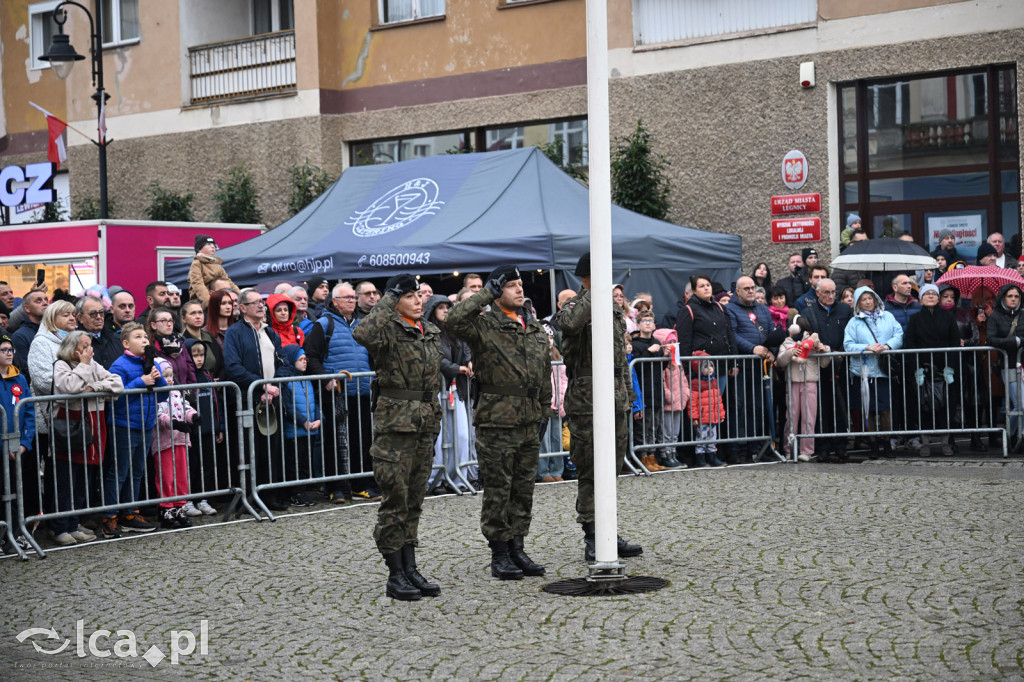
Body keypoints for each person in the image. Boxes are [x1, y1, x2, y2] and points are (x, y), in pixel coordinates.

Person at [447, 264, 552, 580]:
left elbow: (543, 374)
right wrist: (486, 292)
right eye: (511, 285)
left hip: (529, 419)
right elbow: (452, 320)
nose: (520, 289)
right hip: (497, 421)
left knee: (523, 489)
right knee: (498, 489)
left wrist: (543, 411)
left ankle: (518, 547)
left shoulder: (531, 327)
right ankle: (500, 553)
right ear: (496, 292)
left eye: (521, 284)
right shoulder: (483, 326)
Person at [352, 274, 443, 601]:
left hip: (424, 423)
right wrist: (387, 299)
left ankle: (410, 566)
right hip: (395, 425)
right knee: (396, 498)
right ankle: (395, 574)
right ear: (395, 300)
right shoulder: (386, 329)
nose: (418, 301)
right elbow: (361, 332)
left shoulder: (429, 330)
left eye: (418, 295)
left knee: (414, 499)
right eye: (409, 296)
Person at [555, 253, 643, 562]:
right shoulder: (574, 306)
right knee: (591, 469)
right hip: (588, 401)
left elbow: (622, 361)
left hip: (615, 398)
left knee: (613, 468)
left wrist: (629, 396)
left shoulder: (614, 308)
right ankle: (592, 535)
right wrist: (592, 290)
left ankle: (609, 529)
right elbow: (569, 323)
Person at [49, 331, 124, 545]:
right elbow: (70, 387)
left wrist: (94, 386)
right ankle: (59, 527)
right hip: (69, 431)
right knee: (66, 483)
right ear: (72, 348)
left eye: (89, 345)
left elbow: (117, 384)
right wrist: (84, 367)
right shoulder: (62, 365)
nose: (89, 350)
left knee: (82, 482)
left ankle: (73, 524)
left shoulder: (93, 365)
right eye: (84, 346)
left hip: (91, 429)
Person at [303, 282, 374, 502]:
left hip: (360, 391)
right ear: (335, 301)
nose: (352, 301)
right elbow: (311, 355)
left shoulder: (361, 324)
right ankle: (336, 487)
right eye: (347, 298)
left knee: (361, 439)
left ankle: (360, 484)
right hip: (336, 393)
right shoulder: (324, 324)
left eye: (354, 298)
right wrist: (325, 378)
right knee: (335, 441)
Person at [224, 290, 287, 511]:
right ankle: (253, 493)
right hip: (248, 398)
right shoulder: (235, 333)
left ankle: (271, 494)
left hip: (272, 397)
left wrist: (274, 386)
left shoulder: (271, 333)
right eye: (255, 303)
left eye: (262, 302)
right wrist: (260, 385)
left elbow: (283, 363)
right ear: (242, 308)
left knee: (273, 447)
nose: (261, 306)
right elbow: (233, 367)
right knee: (254, 449)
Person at [103, 322, 168, 538]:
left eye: (146, 338)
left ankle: (131, 513)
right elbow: (115, 397)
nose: (144, 341)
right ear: (125, 343)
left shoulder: (150, 364)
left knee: (137, 471)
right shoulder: (118, 366)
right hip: (125, 425)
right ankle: (109, 517)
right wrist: (141, 381)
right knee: (119, 472)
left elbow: (162, 395)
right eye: (138, 337)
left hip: (146, 424)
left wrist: (157, 379)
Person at [423, 294, 476, 493]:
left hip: (457, 390)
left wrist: (469, 361)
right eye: (441, 307)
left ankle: (457, 477)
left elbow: (466, 347)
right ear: (432, 310)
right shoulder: (429, 332)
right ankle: (435, 481)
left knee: (461, 436)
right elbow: (435, 357)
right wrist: (456, 368)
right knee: (440, 438)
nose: (446, 310)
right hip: (438, 390)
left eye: (448, 307)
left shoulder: (456, 331)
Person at [844, 286, 904, 459]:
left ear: (875, 298)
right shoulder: (853, 322)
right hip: (863, 373)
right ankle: (873, 444)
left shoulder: (888, 317)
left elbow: (898, 334)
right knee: (867, 410)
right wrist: (867, 348)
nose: (868, 302)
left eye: (870, 298)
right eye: (863, 299)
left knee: (886, 410)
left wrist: (886, 346)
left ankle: (886, 443)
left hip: (884, 372)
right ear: (858, 303)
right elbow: (848, 344)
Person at [904, 284, 961, 456]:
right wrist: (916, 369)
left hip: (944, 369)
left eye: (934, 294)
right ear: (921, 298)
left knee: (946, 407)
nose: (930, 296)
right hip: (924, 369)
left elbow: (954, 342)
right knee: (924, 406)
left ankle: (945, 443)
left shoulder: (948, 317)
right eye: (927, 294)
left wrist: (950, 367)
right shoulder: (915, 319)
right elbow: (911, 344)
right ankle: (925, 443)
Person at [800, 278, 853, 462]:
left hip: (840, 363)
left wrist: (842, 352)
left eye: (833, 292)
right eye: (827, 293)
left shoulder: (845, 310)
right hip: (820, 365)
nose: (831, 296)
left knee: (840, 405)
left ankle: (841, 445)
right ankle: (823, 447)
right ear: (817, 293)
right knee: (822, 408)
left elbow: (850, 334)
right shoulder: (808, 312)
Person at [151, 360, 200, 528]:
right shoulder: (157, 394)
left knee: (181, 475)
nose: (170, 379)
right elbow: (158, 415)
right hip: (164, 441)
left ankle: (180, 506)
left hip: (181, 440)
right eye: (165, 376)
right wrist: (173, 423)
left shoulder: (177, 393)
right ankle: (166, 509)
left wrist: (193, 416)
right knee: (166, 477)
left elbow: (185, 407)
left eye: (171, 376)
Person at [777, 315, 831, 462]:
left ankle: (807, 450)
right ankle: (789, 449)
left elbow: (825, 363)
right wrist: (790, 353)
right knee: (791, 418)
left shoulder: (812, 343)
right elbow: (780, 361)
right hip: (793, 382)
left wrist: (823, 350)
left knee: (809, 418)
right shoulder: (787, 343)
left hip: (810, 381)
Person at [1, 333, 37, 550]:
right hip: (2, 447)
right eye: (3, 350)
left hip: (18, 448)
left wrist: (25, 442)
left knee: (17, 493)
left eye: (10, 350)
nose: (9, 354)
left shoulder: (20, 378)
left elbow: (29, 410)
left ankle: (16, 533)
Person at [630, 311, 680, 469]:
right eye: (644, 321)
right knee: (643, 427)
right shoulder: (636, 344)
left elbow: (661, 367)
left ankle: (652, 455)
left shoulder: (657, 342)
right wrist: (648, 352)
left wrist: (665, 356)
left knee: (655, 425)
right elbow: (636, 365)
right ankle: (643, 457)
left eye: (650, 321)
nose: (647, 323)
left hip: (657, 389)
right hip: (644, 390)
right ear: (638, 325)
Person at [277, 345, 320, 508]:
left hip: (309, 429)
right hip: (294, 430)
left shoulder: (306, 379)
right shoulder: (286, 380)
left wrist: (319, 419)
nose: (304, 363)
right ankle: (296, 493)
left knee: (303, 462)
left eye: (305, 360)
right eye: (300, 360)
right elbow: (288, 406)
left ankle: (302, 491)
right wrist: (303, 421)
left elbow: (315, 402)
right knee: (294, 462)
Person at [185, 338, 224, 515]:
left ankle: (204, 498)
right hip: (193, 431)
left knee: (208, 465)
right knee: (192, 466)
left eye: (201, 355)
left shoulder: (207, 374)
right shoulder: (187, 377)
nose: (199, 359)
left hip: (209, 429)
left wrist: (219, 426)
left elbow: (216, 402)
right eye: (195, 355)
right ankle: (190, 499)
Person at [986, 283, 1024, 450]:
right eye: (1010, 296)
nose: (1013, 299)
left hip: (1022, 364)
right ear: (1003, 297)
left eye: (1016, 296)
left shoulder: (1023, 315)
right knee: (1020, 405)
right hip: (1008, 365)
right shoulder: (995, 317)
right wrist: (1013, 342)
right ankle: (1010, 434)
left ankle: (1018, 437)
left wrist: (1020, 341)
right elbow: (991, 339)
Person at [538, 323, 567, 482]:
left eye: (550, 337)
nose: (548, 340)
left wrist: (562, 402)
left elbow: (563, 381)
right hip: (545, 404)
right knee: (544, 440)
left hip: (557, 404)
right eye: (545, 337)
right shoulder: (537, 356)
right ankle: (543, 472)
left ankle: (557, 470)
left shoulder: (557, 356)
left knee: (556, 439)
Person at [689, 351, 726, 467]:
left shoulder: (714, 381)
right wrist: (694, 416)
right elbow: (692, 401)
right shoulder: (695, 383)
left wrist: (721, 414)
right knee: (701, 437)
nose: (709, 368)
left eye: (711, 366)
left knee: (712, 437)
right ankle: (700, 458)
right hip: (702, 417)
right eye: (706, 366)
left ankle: (712, 457)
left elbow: (718, 399)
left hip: (713, 416)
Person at [147, 307, 197, 388]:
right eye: (163, 321)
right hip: (164, 397)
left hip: (184, 398)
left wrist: (193, 392)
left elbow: (191, 372)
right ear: (153, 325)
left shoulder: (180, 345)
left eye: (171, 321)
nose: (169, 324)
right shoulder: (151, 349)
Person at [189, 236, 237, 307]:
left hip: (219, 299)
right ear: (199, 248)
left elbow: (228, 281)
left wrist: (240, 296)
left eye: (214, 245)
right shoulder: (197, 263)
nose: (213, 247)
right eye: (208, 244)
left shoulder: (217, 263)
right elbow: (197, 284)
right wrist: (209, 302)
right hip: (202, 301)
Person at [75, 296, 121, 370]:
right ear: (80, 318)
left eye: (101, 313)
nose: (99, 317)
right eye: (93, 314)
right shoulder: (74, 343)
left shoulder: (116, 338)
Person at [11, 290, 48, 380]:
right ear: (27, 308)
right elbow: (25, 370)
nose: (45, 303)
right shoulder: (20, 336)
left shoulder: (53, 332)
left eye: (46, 300)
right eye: (38, 301)